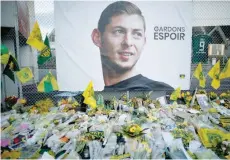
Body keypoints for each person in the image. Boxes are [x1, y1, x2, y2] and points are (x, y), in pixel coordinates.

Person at [91, 1, 173, 91]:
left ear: (144, 41)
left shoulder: (161, 93)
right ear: (97, 37)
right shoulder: (86, 100)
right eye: (119, 31)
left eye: (137, 34)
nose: (128, 42)